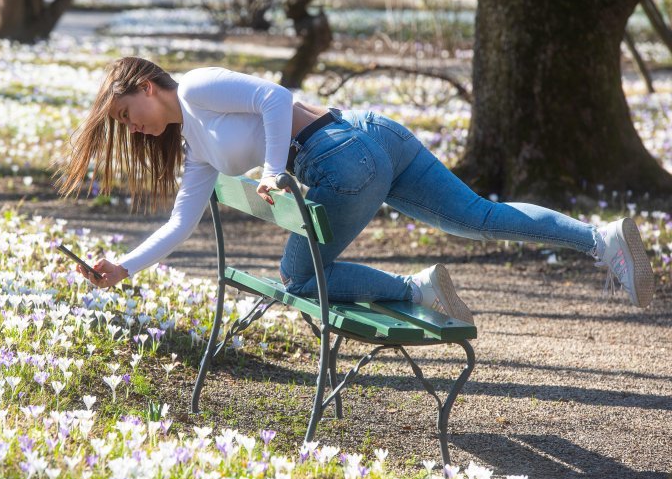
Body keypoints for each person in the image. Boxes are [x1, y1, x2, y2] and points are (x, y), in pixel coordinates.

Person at [56, 57, 655, 323]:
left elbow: (272, 98)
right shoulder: (197, 147)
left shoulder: (197, 87)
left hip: (340, 154)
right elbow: (179, 224)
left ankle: (415, 289)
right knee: (480, 216)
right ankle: (601, 240)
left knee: (300, 278)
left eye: (125, 111)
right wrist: (124, 268)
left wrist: (270, 170)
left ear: (144, 84)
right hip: (367, 136)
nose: (129, 126)